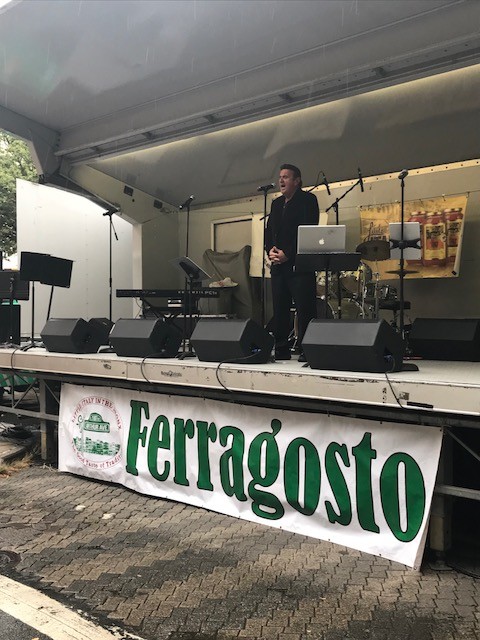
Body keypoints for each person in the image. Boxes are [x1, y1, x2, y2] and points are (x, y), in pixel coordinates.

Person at [265, 164, 319, 361]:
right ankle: (281, 348)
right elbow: (269, 230)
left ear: (297, 181)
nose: (281, 180)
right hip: (278, 265)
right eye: (280, 177)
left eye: (286, 177)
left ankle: (307, 349)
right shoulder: (276, 204)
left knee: (305, 308)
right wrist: (270, 251)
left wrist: (288, 254)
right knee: (279, 308)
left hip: (299, 265)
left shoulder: (308, 200)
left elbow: (308, 229)